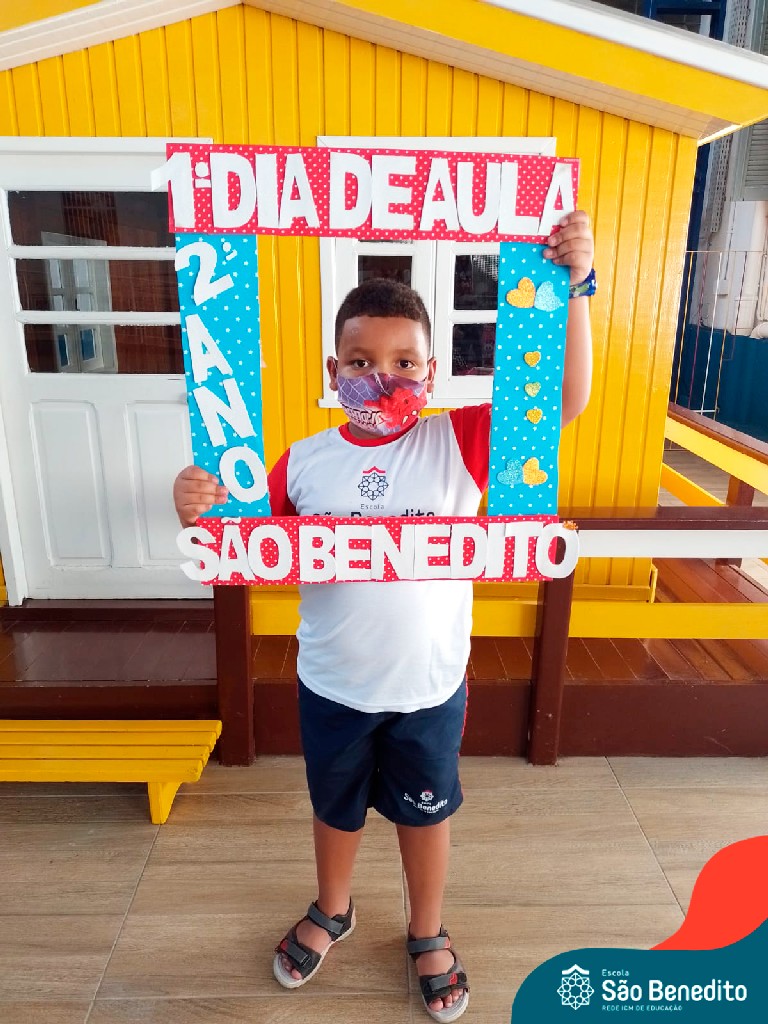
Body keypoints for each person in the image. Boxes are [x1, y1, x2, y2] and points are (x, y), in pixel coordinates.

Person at [173, 211, 595, 1022]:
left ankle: (428, 928)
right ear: (334, 371)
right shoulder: (303, 461)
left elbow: (563, 399)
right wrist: (194, 503)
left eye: (404, 362)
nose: (383, 376)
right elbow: (235, 533)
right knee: (334, 808)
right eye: (362, 362)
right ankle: (333, 908)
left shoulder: (461, 443)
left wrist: (577, 287)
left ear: (432, 371)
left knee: (426, 813)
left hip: (428, 686)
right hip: (332, 683)